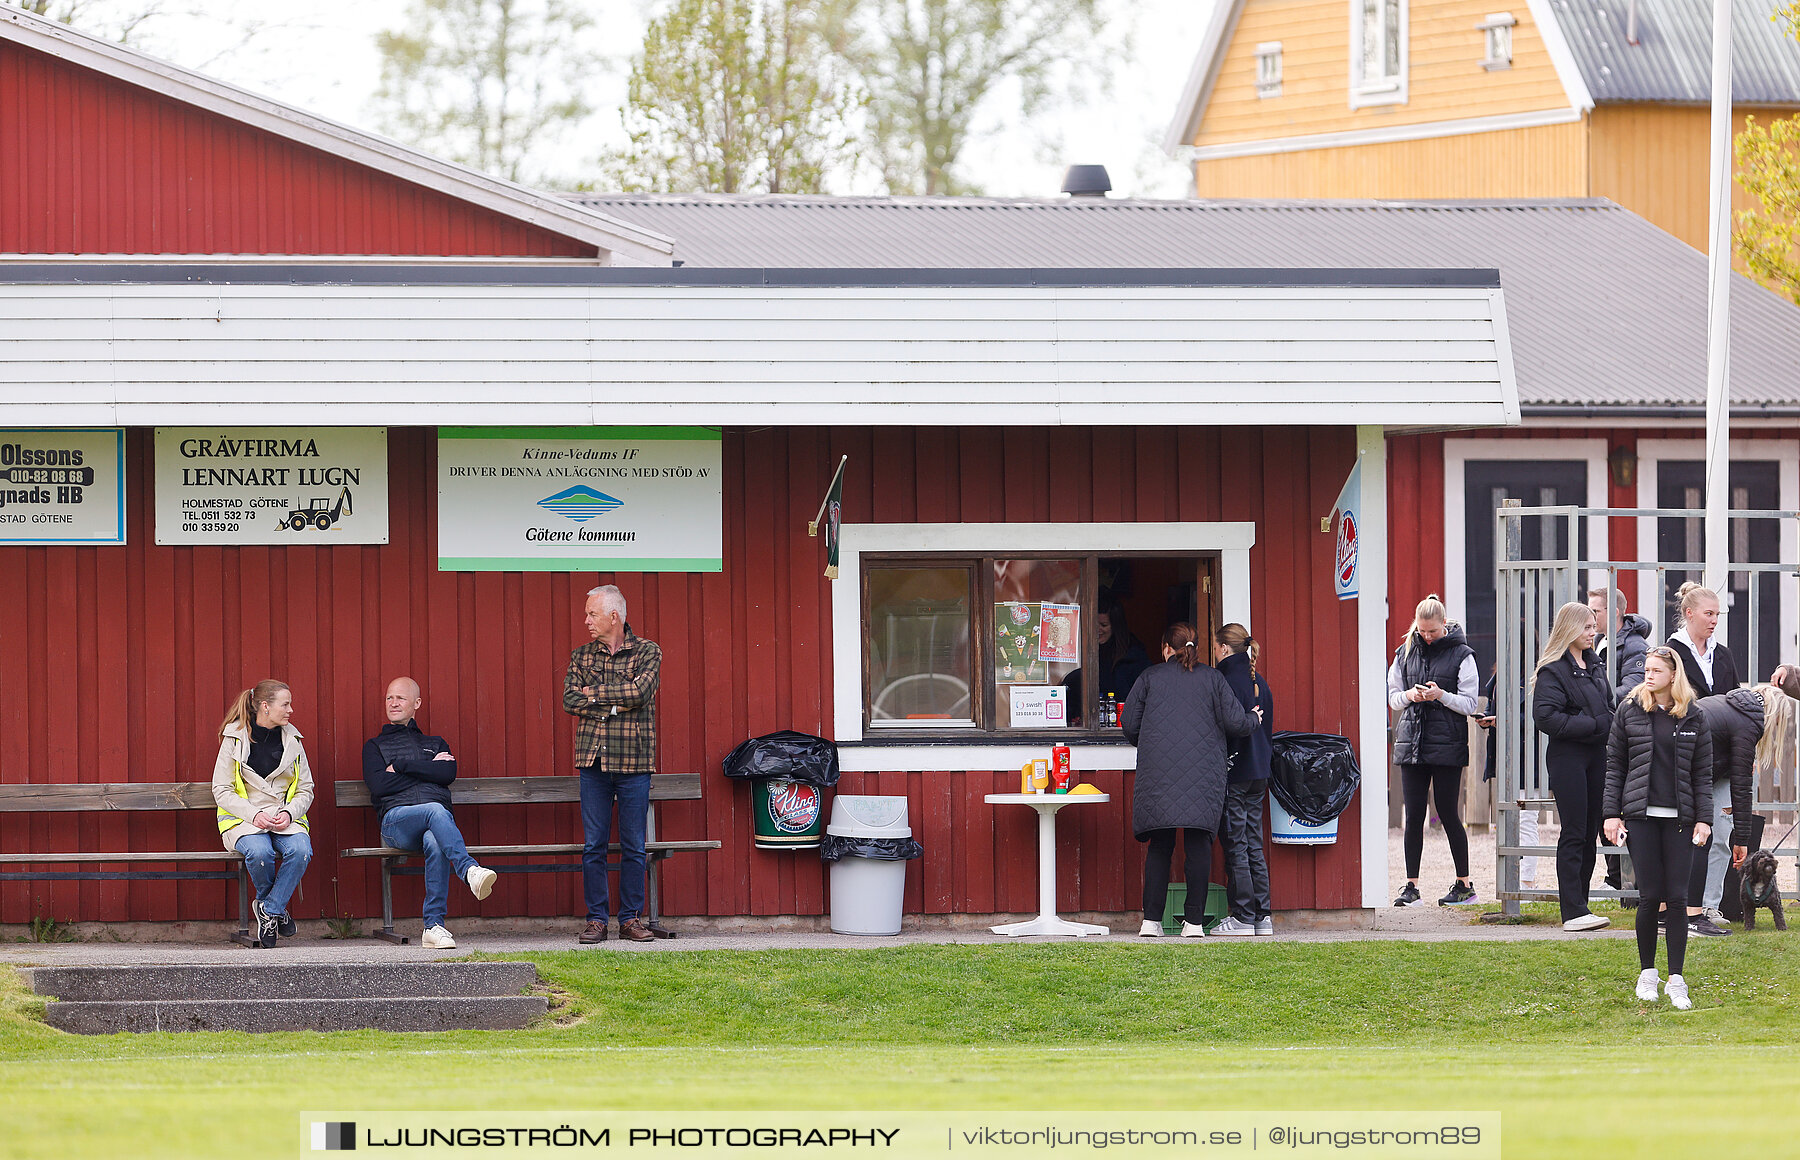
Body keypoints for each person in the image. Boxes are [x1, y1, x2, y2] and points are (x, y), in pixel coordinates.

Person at [1122, 622, 1259, 938]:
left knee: (1160, 845)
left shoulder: (1149, 677)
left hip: (1158, 773)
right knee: (1198, 845)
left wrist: (1154, 739)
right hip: (1203, 775)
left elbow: (1129, 725)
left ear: (1166, 648)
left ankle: (1151, 922)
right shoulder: (1213, 679)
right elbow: (1236, 723)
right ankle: (1194, 924)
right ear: (1196, 647)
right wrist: (1255, 717)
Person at [1603, 646, 1713, 1009]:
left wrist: (1704, 819)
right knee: (1650, 896)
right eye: (1646, 670)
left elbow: (1702, 775)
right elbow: (1615, 765)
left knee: (1679, 898)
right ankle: (1647, 974)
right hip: (1641, 818)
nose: (1648, 676)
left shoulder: (1694, 716)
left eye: (1655, 671)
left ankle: (1676, 979)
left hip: (1681, 821)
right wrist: (1611, 814)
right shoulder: (1629, 711)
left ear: (1672, 675)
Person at [362, 677, 498, 949]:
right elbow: (378, 786)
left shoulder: (435, 743)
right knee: (435, 810)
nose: (393, 703)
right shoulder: (374, 747)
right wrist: (426, 770)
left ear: (417, 704)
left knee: (436, 841)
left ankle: (433, 927)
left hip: (433, 826)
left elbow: (447, 773)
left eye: (400, 698)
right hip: (396, 823)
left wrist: (399, 767)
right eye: (389, 698)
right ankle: (469, 869)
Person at [564, 584, 662, 944]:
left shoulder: (648, 652)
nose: (586, 620)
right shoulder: (582, 656)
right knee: (594, 845)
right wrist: (617, 701)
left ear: (614, 616)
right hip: (594, 761)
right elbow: (570, 700)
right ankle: (596, 920)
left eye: (592, 613)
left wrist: (597, 693)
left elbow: (641, 693)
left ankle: (630, 919)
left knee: (634, 844)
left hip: (635, 762)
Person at [1682, 678, 1799, 937]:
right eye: (1780, 721)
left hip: (1706, 772)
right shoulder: (1749, 722)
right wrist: (1743, 840)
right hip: (1697, 774)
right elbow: (1742, 785)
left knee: (1712, 840)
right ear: (1773, 713)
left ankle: (1701, 907)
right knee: (1703, 842)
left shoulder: (1733, 704)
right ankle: (1697, 910)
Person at [1387, 595, 1481, 907]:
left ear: (1444, 625)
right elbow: (1392, 697)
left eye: (1433, 632)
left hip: (1447, 744)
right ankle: (1411, 887)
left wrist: (1441, 695)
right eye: (1422, 631)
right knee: (1413, 815)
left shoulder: (1462, 654)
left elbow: (1469, 703)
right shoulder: (1405, 652)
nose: (1427, 637)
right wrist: (1411, 695)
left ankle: (1464, 884)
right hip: (1412, 741)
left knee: (1448, 813)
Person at [1530, 601, 1616, 932]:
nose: (1593, 632)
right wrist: (1592, 725)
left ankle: (1582, 904)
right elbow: (1546, 717)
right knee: (1574, 831)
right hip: (1568, 758)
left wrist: (1601, 724)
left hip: (1596, 755)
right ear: (1570, 629)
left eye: (1594, 626)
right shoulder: (1553, 670)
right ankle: (1572, 910)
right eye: (1586, 627)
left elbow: (1609, 707)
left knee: (1591, 829)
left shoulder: (1595, 666)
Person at [212, 679, 314, 949]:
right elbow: (221, 789)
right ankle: (277, 908)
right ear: (265, 707)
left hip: (283, 819)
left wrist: (291, 813)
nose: (291, 709)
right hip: (244, 821)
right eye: (286, 704)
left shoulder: (293, 739)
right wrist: (253, 814)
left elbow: (306, 788)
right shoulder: (234, 738)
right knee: (260, 853)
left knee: (301, 850)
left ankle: (269, 909)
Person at [1210, 624, 1276, 937]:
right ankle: (1262, 917)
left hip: (1234, 772)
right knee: (1253, 844)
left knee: (1236, 845)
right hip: (1259, 772)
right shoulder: (1258, 681)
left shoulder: (1223, 681)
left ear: (1223, 648)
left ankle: (1242, 917)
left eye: (1215, 645)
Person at [1063, 598, 1151, 725]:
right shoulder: (1077, 649)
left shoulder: (1134, 658)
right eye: (1094, 624)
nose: (1097, 630)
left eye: (1103, 625)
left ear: (1116, 626)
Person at [1666, 581, 1742, 698]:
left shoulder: (1724, 654)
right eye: (1709, 614)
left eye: (1717, 614)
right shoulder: (1670, 653)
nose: (1715, 621)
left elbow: (1736, 699)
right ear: (1690, 613)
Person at [1590, 585, 1652, 701]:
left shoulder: (1635, 646)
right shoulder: (1599, 639)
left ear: (1615, 612)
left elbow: (1632, 690)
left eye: (1595, 612)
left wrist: (1595, 700)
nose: (1591, 617)